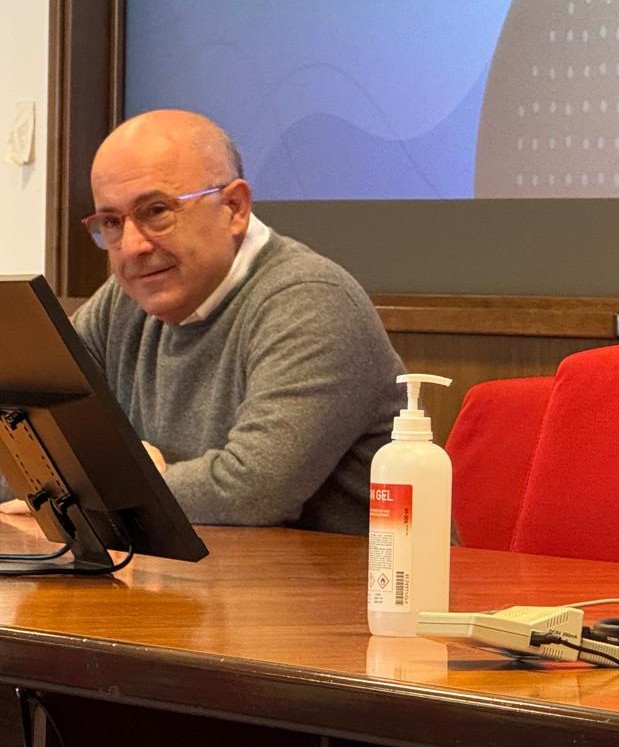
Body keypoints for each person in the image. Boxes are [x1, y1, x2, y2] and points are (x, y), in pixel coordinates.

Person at [3, 109, 404, 535]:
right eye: (112, 223)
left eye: (156, 210)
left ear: (234, 207)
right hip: (192, 569)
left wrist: (113, 481)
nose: (132, 246)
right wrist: (103, 480)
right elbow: (21, 449)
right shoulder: (125, 300)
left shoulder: (312, 302)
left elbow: (254, 489)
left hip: (335, 576)